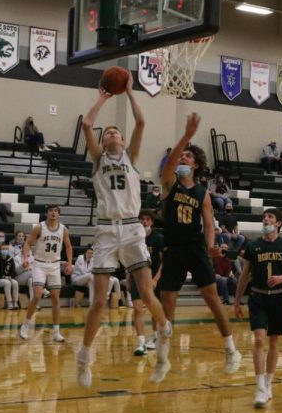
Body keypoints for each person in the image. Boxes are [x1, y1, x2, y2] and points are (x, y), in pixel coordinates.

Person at [75, 79, 173, 388]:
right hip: (106, 230)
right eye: (108, 133)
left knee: (145, 294)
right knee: (101, 301)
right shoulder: (98, 160)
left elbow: (141, 121)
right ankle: (84, 356)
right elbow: (88, 123)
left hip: (132, 228)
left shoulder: (131, 156)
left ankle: (163, 333)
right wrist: (102, 97)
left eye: (116, 131)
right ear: (103, 143)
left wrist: (130, 91)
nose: (112, 133)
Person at [157, 113, 241, 373]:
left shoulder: (203, 193)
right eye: (182, 155)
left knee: (212, 297)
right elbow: (168, 165)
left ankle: (231, 350)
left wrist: (210, 246)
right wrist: (186, 137)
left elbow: (208, 223)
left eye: (188, 156)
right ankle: (162, 358)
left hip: (195, 248)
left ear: (195, 166)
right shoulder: (169, 184)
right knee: (167, 300)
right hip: (173, 247)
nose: (183, 158)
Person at [234, 208, 282, 408]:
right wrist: (237, 302)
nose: (266, 219)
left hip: (279, 299)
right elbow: (244, 275)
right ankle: (259, 388)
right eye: (264, 217)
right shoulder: (254, 246)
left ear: (279, 223)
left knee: (273, 342)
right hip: (257, 297)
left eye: (270, 217)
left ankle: (268, 383)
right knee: (258, 340)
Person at [19, 205, 74, 342]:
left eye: (56, 211)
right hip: (39, 264)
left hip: (55, 265)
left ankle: (56, 331)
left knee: (56, 298)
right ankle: (25, 325)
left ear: (59, 214)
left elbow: (68, 246)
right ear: (47, 213)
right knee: (37, 296)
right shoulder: (39, 227)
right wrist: (25, 258)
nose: (53, 213)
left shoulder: (63, 229)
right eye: (51, 211)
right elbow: (27, 243)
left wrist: (69, 262)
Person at [130, 210, 164, 356]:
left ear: (152, 222)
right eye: (142, 219)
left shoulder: (158, 238)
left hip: (155, 276)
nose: (144, 221)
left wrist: (156, 279)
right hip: (137, 276)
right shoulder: (133, 238)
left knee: (153, 309)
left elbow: (165, 261)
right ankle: (141, 343)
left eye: (147, 219)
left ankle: (156, 336)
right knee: (137, 309)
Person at [0, 242, 20, 309]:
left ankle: (15, 302)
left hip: (8, 277)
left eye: (6, 249)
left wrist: (10, 277)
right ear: (0, 250)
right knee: (7, 283)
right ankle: (9, 303)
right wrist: (3, 277)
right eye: (3, 249)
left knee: (15, 283)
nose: (4, 250)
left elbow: (13, 271)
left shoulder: (10, 259)